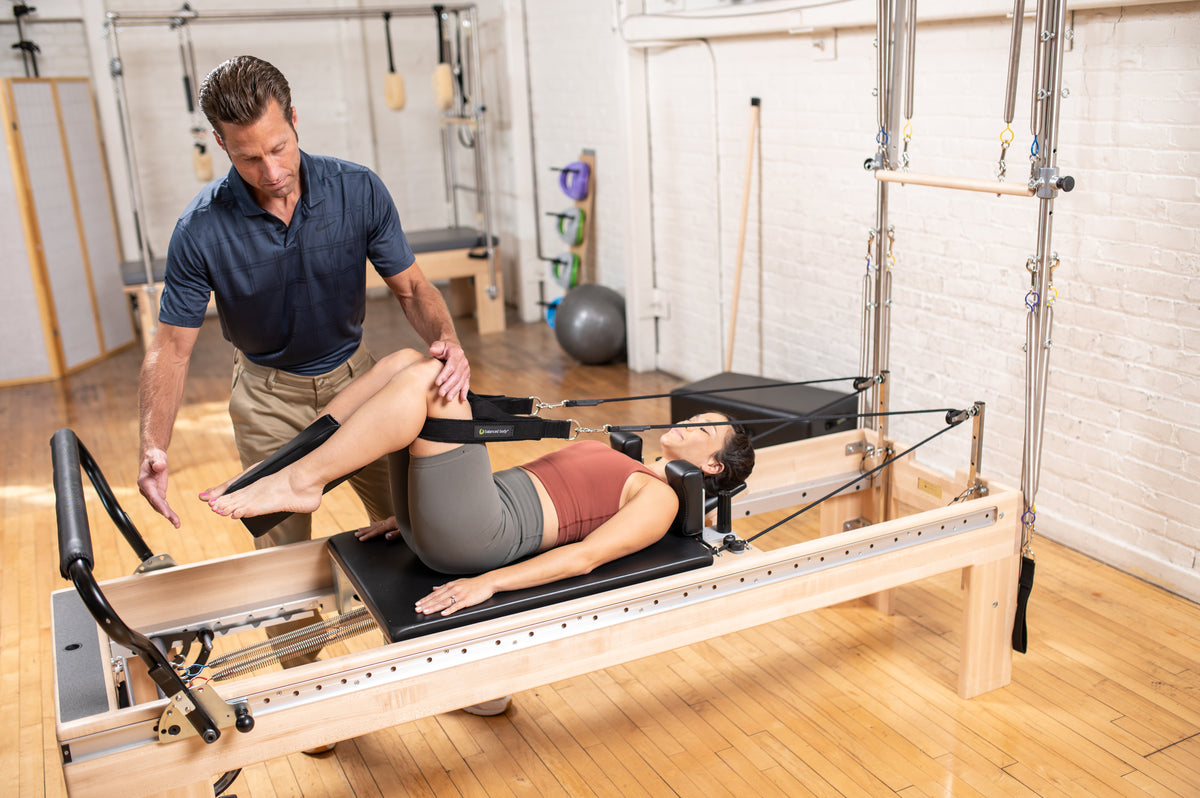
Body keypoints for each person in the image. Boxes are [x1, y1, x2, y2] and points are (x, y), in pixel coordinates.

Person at [137, 55, 471, 549]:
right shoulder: (199, 229)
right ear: (222, 144)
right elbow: (171, 348)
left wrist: (447, 340)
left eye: (279, 148)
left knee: (407, 530)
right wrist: (153, 444)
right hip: (266, 399)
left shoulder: (357, 189)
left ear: (294, 120)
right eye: (249, 158)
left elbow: (414, 288)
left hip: (358, 381)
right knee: (281, 558)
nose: (271, 171)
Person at [200, 348, 756, 617]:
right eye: (698, 417)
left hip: (478, 538)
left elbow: (584, 558)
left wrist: (489, 583)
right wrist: (413, 508)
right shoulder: (628, 462)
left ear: (712, 466)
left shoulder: (658, 499)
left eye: (705, 430)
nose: (691, 422)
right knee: (405, 361)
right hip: (456, 517)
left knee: (429, 380)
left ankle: (301, 480)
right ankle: (287, 466)